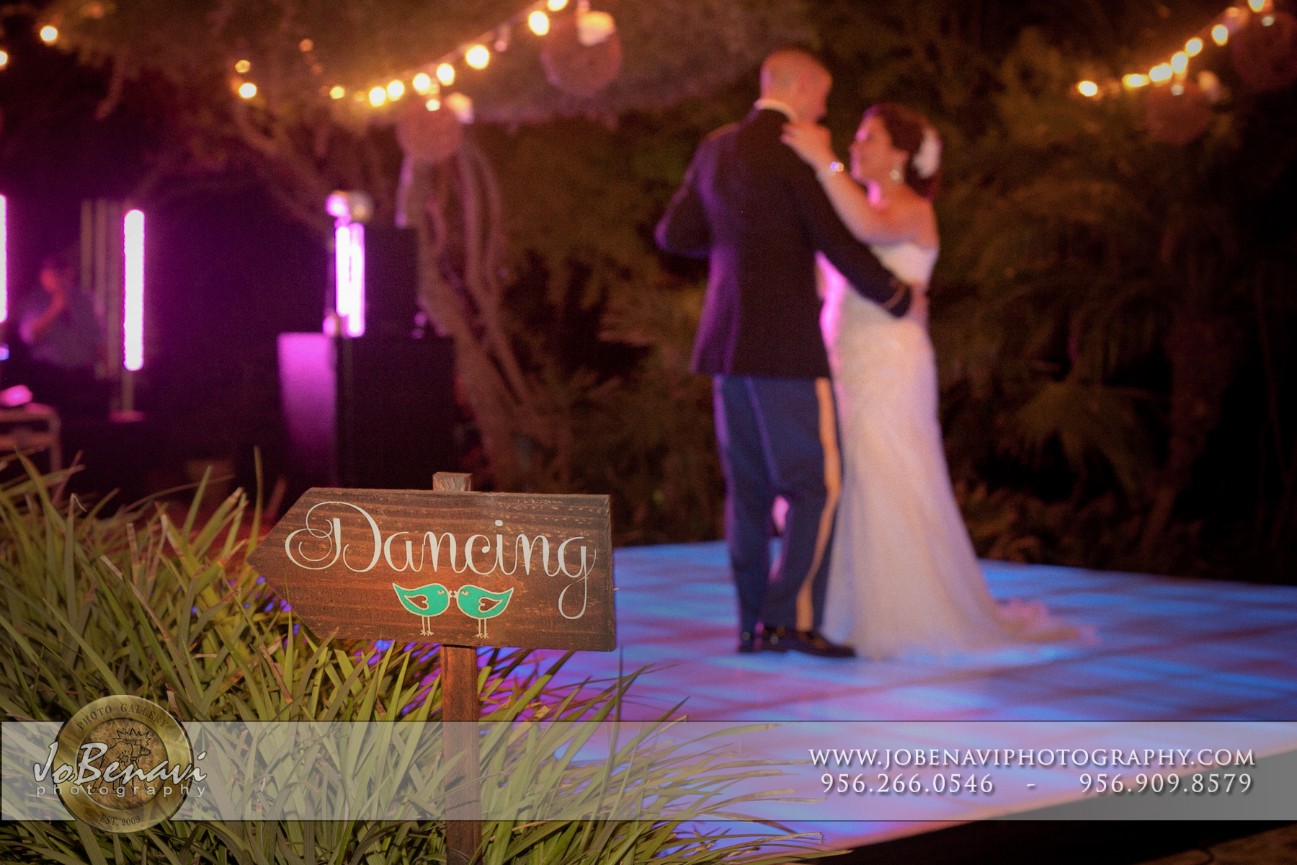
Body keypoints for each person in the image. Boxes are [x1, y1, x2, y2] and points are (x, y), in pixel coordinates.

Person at [655, 47, 926, 658]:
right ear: (799, 87)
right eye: (822, 95)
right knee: (814, 486)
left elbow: (675, 234)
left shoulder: (716, 147)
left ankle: (752, 625)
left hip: (724, 348)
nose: (825, 109)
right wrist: (896, 296)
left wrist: (739, 248)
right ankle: (789, 619)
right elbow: (836, 243)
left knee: (748, 491)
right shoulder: (797, 150)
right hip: (784, 350)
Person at [782, 103, 1079, 660]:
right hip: (843, 355)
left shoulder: (912, 210)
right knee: (843, 476)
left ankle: (900, 615)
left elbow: (868, 229)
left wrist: (823, 163)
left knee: (887, 474)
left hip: (891, 362)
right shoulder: (857, 209)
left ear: (898, 154)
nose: (854, 146)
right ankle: (832, 613)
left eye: (867, 138)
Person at [17, 253, 108, 419]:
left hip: (80, 377)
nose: (57, 279)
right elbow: (30, 336)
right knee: (49, 426)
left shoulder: (83, 299)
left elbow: (97, 336)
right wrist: (55, 308)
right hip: (49, 378)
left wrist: (108, 370)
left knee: (81, 425)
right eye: (51, 274)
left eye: (62, 274)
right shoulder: (35, 301)